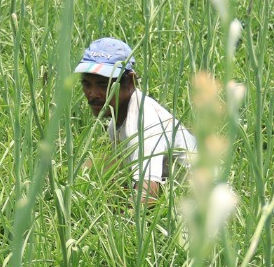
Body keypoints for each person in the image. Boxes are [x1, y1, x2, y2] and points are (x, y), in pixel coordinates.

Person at [74, 37, 197, 202]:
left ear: (130, 82)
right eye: (87, 84)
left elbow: (147, 195)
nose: (93, 94)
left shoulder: (145, 123)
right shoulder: (117, 120)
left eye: (103, 85)